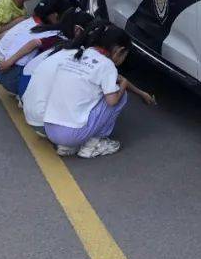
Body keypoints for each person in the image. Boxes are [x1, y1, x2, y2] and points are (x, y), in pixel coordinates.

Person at [40, 22, 154, 158]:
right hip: (71, 134)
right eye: (125, 56)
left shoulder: (79, 54)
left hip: (50, 128)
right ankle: (92, 145)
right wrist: (123, 85)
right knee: (119, 95)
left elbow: (117, 78)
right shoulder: (107, 65)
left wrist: (141, 93)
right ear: (119, 51)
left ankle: (68, 146)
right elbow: (112, 101)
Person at [0, 0, 68, 95]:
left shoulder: (29, 21)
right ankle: (26, 93)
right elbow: (34, 43)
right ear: (54, 16)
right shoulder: (54, 33)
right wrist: (10, 62)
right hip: (11, 75)